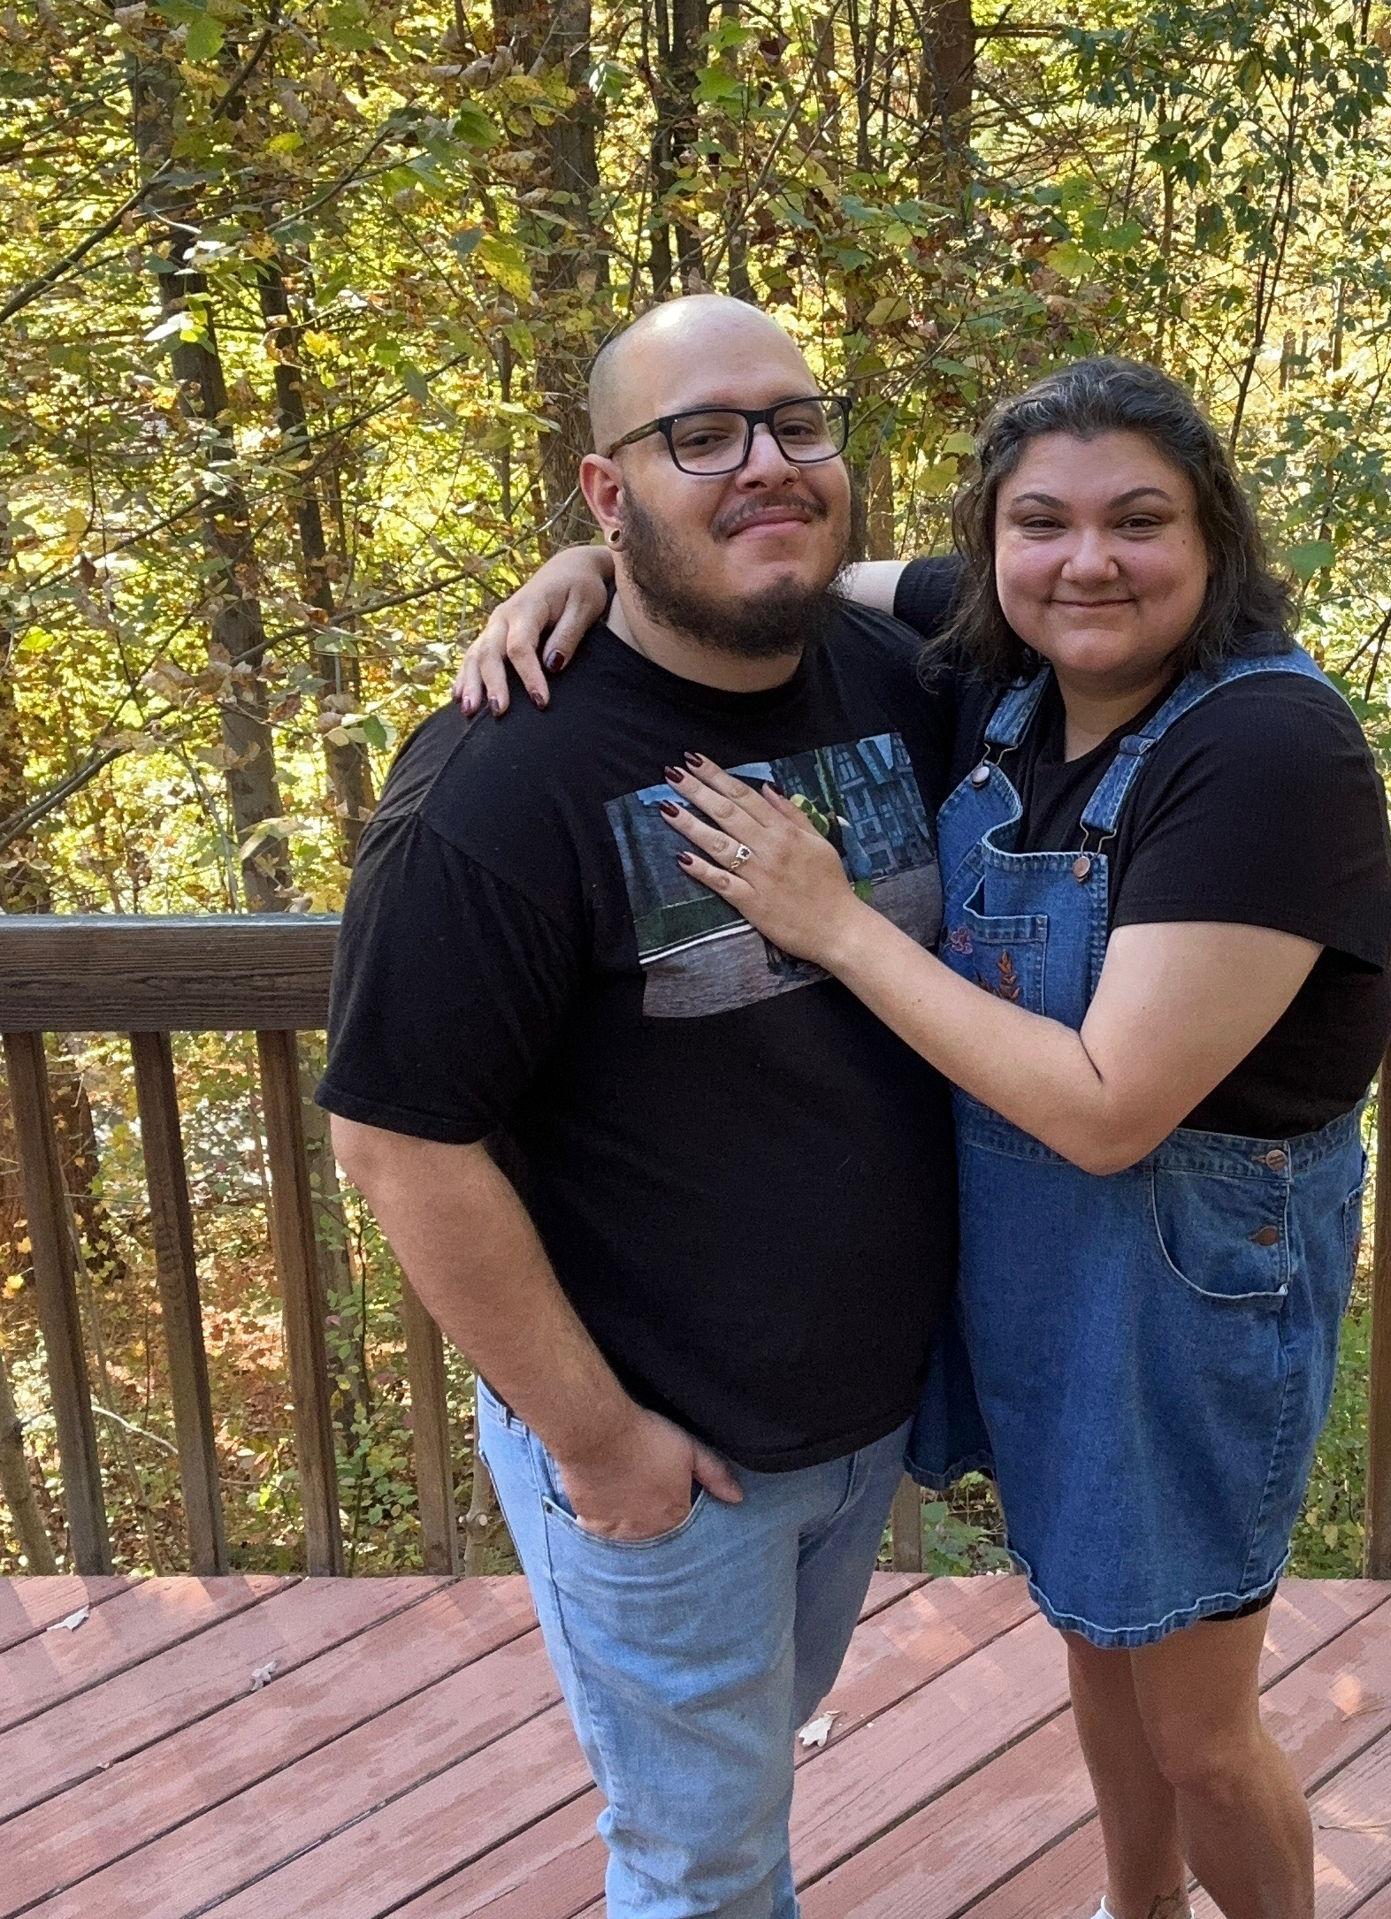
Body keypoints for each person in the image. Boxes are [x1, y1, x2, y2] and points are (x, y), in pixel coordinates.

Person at [463, 357, 1391, 1919]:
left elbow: (1106, 1107)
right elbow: (809, 568)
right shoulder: (1003, 665)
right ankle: (1137, 1911)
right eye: (1042, 523)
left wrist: (833, 921)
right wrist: (590, 568)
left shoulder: (1267, 754)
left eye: (1140, 522)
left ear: (1214, 540)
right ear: (995, 545)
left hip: (1189, 1282)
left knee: (1198, 1728)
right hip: (1040, 1267)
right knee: (1096, 1631)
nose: (1087, 560)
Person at [318, 294, 961, 1919]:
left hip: (858, 1421)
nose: (766, 464)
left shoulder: (900, 681)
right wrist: (600, 1445)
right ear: (609, 491)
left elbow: (1108, 597)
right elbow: (396, 1142)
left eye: (795, 425)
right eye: (701, 438)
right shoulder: (496, 783)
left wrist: (601, 562)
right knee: (701, 1865)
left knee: (745, 1786)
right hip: (664, 1445)